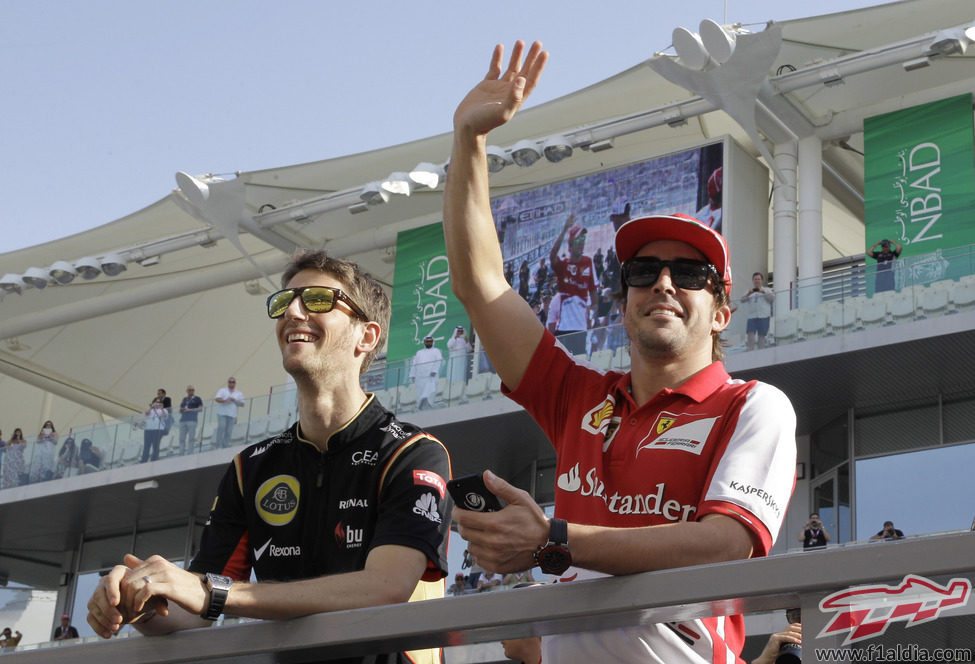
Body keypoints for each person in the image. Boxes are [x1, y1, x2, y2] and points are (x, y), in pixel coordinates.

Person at [443, 41, 797, 663]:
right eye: (643, 270)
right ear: (624, 299)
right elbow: (481, 286)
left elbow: (724, 545)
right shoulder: (578, 396)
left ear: (722, 313)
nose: (663, 283)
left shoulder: (755, 406)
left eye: (690, 274)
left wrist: (553, 539)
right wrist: (469, 142)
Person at [87, 250, 452, 664]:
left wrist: (212, 593)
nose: (293, 311)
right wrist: (139, 600)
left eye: (317, 300)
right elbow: (195, 613)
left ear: (365, 337)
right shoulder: (252, 468)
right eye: (284, 302)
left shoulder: (412, 452)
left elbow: (384, 588)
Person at [549, 213, 596, 355]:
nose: (582, 242)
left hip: (581, 329)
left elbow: (594, 292)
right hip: (563, 330)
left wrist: (593, 312)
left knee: (580, 366)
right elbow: (552, 256)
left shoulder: (588, 262)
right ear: (570, 244)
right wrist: (564, 229)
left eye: (583, 239)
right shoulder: (563, 266)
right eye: (578, 240)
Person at [740, 272, 774, 350]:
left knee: (761, 336)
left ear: (762, 280)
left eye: (758, 279)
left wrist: (764, 292)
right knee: (750, 334)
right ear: (753, 280)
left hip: (763, 316)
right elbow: (742, 300)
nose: (757, 281)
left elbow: (772, 299)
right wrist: (749, 293)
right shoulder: (749, 291)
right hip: (752, 316)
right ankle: (750, 351)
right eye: (755, 279)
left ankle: (760, 352)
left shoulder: (767, 290)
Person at [410, 336, 443, 410]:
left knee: (430, 391)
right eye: (427, 341)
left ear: (432, 342)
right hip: (420, 376)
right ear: (424, 342)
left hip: (431, 375)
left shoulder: (436, 351)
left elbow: (438, 361)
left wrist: (434, 370)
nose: (429, 343)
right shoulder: (419, 352)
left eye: (430, 341)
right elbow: (414, 364)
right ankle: (420, 406)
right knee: (421, 391)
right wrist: (412, 374)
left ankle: (429, 405)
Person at [213, 377, 244, 448]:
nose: (231, 383)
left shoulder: (238, 393)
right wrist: (225, 400)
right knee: (221, 428)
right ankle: (218, 446)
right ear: (228, 383)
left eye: (233, 382)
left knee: (229, 432)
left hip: (232, 415)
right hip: (222, 413)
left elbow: (242, 404)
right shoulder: (222, 390)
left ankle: (225, 447)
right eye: (230, 382)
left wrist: (234, 400)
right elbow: (217, 399)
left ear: (235, 383)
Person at [177, 385, 204, 455]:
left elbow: (200, 409)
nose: (191, 391)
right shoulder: (184, 399)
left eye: (192, 390)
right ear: (187, 391)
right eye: (190, 390)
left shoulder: (197, 398)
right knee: (181, 438)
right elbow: (180, 409)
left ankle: (190, 453)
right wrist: (182, 409)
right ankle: (181, 453)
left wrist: (190, 410)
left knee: (191, 438)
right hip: (183, 420)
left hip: (192, 420)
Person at [141, 397, 168, 463]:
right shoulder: (150, 410)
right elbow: (146, 413)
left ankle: (154, 460)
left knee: (155, 446)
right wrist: (151, 407)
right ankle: (144, 460)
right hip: (148, 429)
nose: (157, 404)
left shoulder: (163, 410)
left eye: (159, 402)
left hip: (157, 430)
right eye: (156, 402)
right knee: (146, 446)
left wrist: (161, 408)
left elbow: (165, 416)